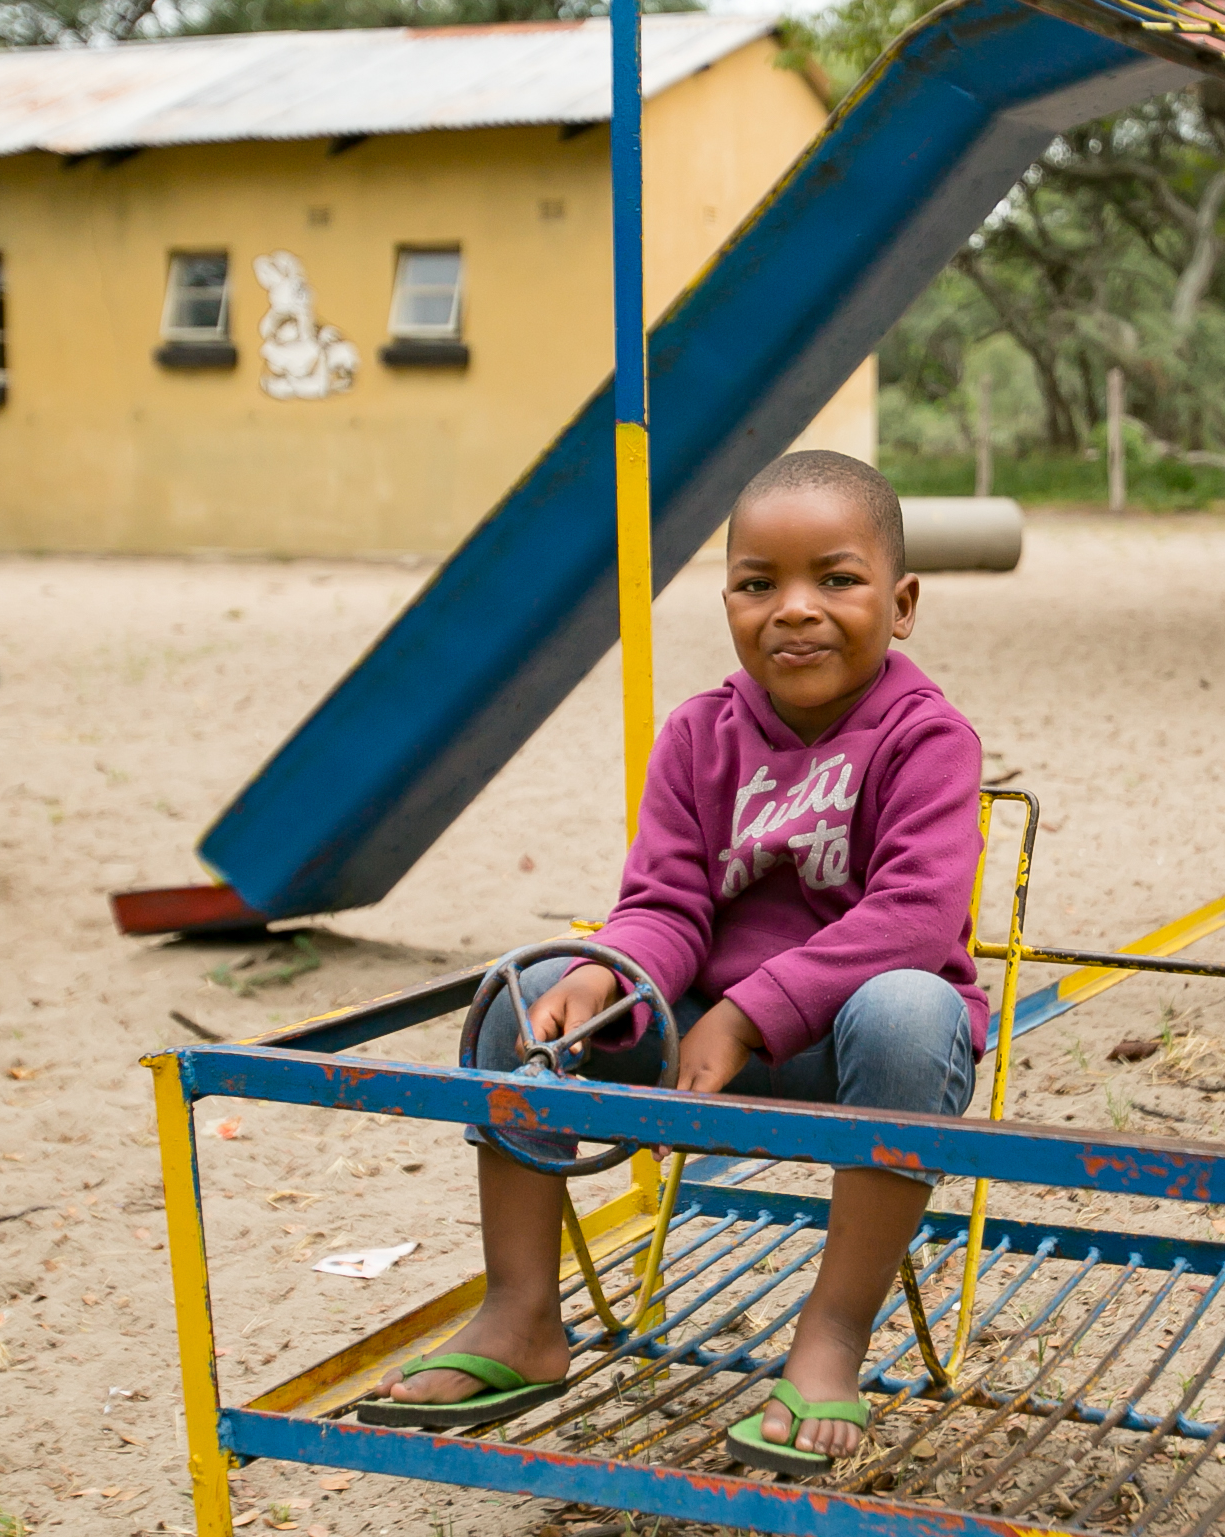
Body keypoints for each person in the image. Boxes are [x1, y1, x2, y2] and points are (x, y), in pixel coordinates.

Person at [353, 450, 987, 1477]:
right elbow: (665, 903)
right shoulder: (700, 736)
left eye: (836, 579)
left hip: (858, 1057)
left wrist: (747, 1013)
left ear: (902, 601)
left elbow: (914, 919)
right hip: (694, 1040)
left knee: (914, 1011)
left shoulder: (925, 739)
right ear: (727, 598)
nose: (794, 610)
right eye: (757, 583)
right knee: (529, 1000)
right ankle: (521, 1315)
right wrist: (607, 972)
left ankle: (828, 1342)